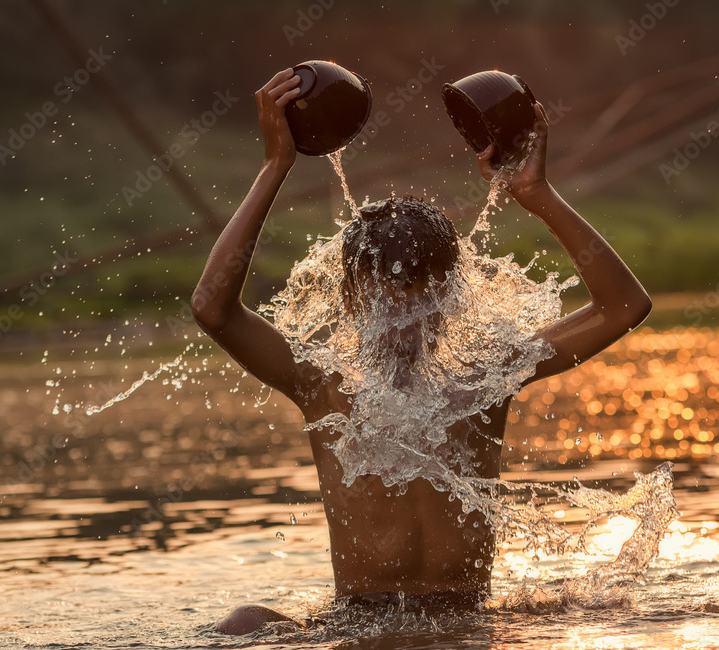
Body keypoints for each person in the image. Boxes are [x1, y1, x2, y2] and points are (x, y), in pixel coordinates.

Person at [192, 68, 652, 635]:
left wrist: (537, 194)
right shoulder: (323, 387)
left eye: (421, 300)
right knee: (244, 623)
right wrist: (274, 166)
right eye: (387, 303)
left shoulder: (486, 381)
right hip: (359, 625)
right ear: (352, 300)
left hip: (468, 626)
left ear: (454, 295)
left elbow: (623, 307)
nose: (404, 323)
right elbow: (213, 309)